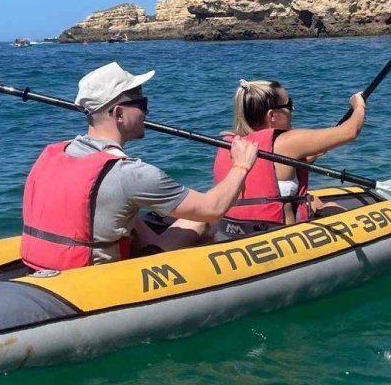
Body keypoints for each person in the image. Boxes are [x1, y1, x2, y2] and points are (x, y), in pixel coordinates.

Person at [20, 62, 258, 271]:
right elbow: (212, 208)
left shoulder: (54, 152)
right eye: (142, 103)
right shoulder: (130, 174)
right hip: (95, 279)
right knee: (200, 222)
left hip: (45, 265)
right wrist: (241, 165)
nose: (147, 111)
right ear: (119, 114)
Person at [211, 79, 366, 237]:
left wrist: (310, 155)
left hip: (233, 230)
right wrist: (358, 105)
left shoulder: (231, 144)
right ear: (272, 115)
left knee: (314, 201)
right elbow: (350, 132)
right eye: (289, 105)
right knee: (330, 206)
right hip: (276, 235)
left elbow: (266, 170)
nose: (293, 109)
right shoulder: (287, 141)